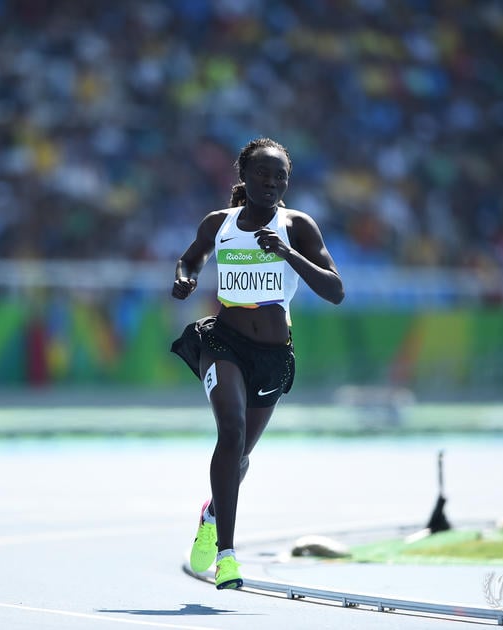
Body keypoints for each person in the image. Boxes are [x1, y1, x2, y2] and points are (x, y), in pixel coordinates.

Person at [170, 137, 344, 589]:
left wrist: (287, 253)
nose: (271, 182)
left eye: (280, 176)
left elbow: (335, 290)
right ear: (244, 177)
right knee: (231, 432)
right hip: (222, 342)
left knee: (241, 454)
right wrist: (186, 279)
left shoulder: (297, 226)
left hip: (272, 354)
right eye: (262, 174)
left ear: (287, 182)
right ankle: (227, 556)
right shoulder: (220, 223)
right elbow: (190, 260)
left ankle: (211, 514)